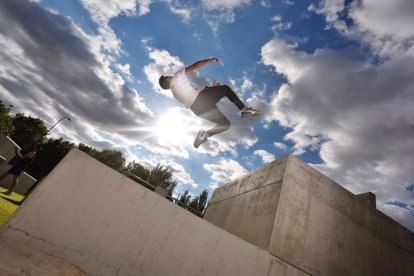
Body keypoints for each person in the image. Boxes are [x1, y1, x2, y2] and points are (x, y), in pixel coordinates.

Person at [159, 57, 261, 148]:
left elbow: (193, 94)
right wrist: (209, 60)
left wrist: (211, 89)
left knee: (225, 124)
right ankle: (244, 110)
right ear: (167, 79)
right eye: (168, 76)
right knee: (225, 89)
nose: (170, 76)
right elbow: (194, 66)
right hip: (201, 99)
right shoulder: (177, 76)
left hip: (198, 109)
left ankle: (204, 136)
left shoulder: (175, 94)